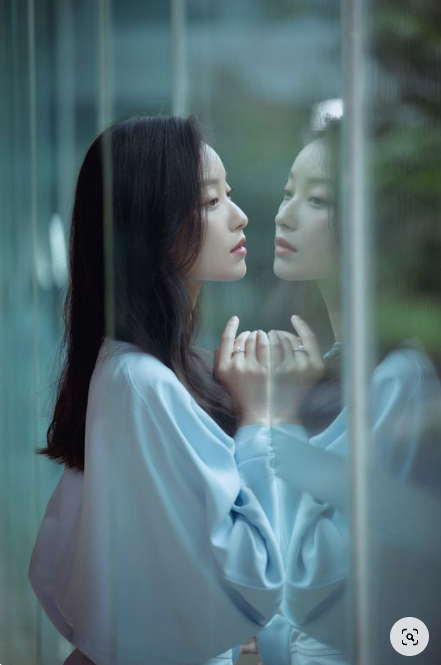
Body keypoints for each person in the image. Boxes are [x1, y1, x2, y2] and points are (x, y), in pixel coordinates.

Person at [28, 115, 285, 665]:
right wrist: (258, 418)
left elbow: (55, 574)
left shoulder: (129, 371)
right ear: (153, 226)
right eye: (210, 202)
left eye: (228, 196)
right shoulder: (142, 384)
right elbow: (255, 579)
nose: (239, 217)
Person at [255, 112, 441, 665]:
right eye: (289, 193)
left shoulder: (400, 381)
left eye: (318, 200)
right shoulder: (343, 369)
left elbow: (315, 582)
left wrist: (275, 423)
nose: (283, 215)